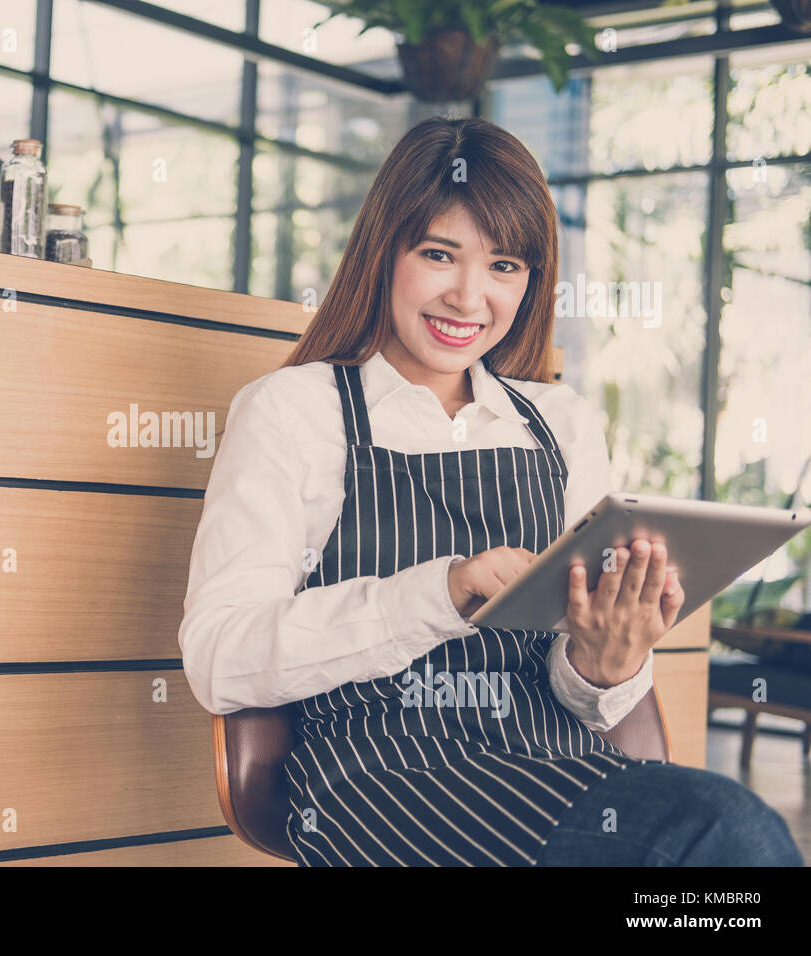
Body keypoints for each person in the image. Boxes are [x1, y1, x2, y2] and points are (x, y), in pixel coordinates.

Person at [177, 117, 803, 868]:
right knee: (717, 834)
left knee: (723, 836)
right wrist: (440, 593)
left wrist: (607, 661)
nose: (468, 297)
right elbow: (219, 657)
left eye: (504, 266)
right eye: (439, 254)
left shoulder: (561, 421)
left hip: (556, 767)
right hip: (381, 777)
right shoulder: (293, 410)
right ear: (384, 253)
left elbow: (587, 697)